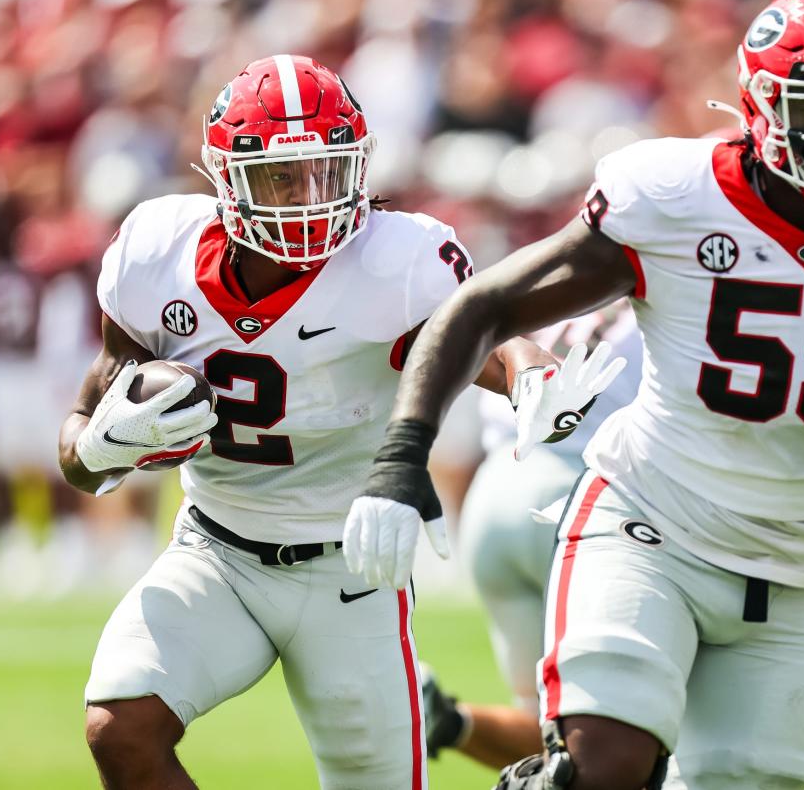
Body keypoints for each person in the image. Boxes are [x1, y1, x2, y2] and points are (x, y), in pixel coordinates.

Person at [344, 0, 804, 790]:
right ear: (761, 106)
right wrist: (402, 456)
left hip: (801, 562)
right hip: (652, 522)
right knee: (602, 771)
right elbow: (483, 305)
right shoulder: (675, 198)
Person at [58, 54, 615, 790]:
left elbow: (482, 336)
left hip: (350, 568)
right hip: (215, 550)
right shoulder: (153, 249)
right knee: (119, 728)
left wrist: (532, 376)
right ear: (226, 179)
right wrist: (101, 445)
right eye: (281, 178)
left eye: (326, 172)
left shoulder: (397, 259)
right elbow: (81, 440)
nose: (308, 199)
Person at [422, 304, 642, 769]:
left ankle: (442, 719)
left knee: (544, 722)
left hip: (495, 490)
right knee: (633, 727)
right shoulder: (672, 301)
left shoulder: (557, 292)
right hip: (580, 499)